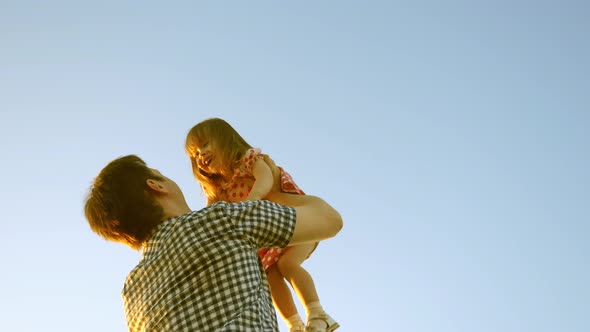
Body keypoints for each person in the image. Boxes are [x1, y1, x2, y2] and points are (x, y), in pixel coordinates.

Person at [84, 154, 342, 332]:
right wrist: (271, 187)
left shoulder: (132, 292)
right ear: (155, 185)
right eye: (160, 174)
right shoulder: (219, 221)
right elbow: (329, 219)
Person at [184, 118, 340, 332]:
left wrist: (253, 199)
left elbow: (265, 178)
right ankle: (294, 324)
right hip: (271, 238)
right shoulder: (219, 189)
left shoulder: (247, 160)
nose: (200, 155)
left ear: (224, 140)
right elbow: (211, 214)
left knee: (288, 264)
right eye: (195, 154)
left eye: (204, 145)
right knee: (270, 274)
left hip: (296, 221)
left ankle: (318, 313)